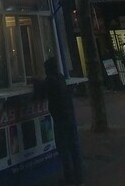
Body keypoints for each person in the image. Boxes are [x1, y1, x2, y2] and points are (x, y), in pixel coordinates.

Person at [40, 57, 83, 186]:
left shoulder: (49, 81)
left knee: (63, 149)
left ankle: (69, 177)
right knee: (74, 147)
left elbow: (42, 91)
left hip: (60, 119)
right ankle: (79, 178)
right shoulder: (61, 78)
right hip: (69, 116)